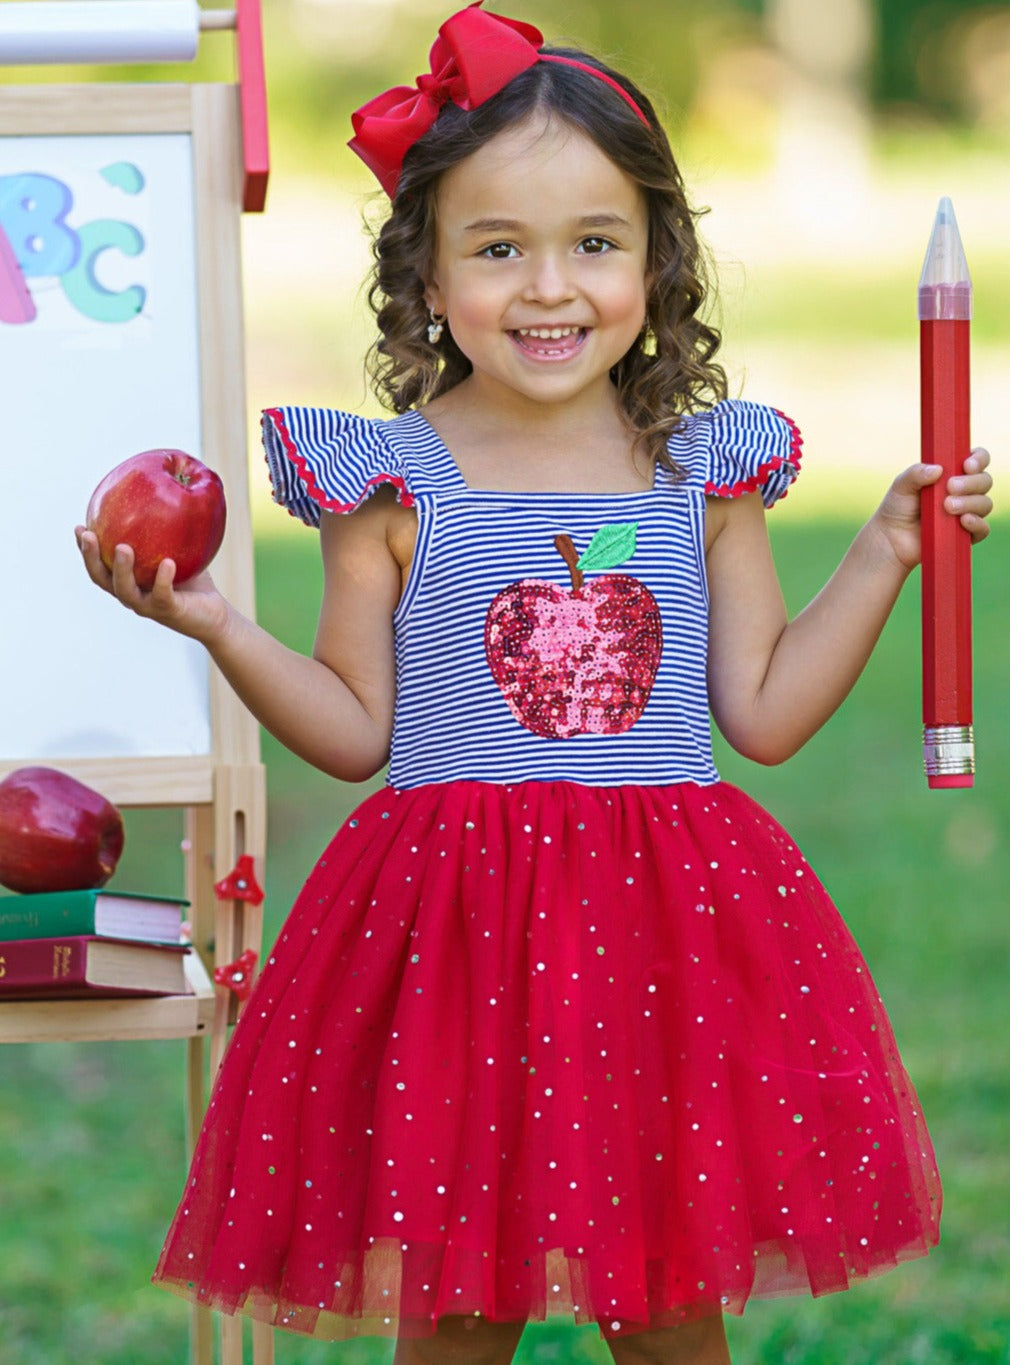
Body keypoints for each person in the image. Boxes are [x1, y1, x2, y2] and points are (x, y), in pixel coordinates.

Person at [77, 5, 993, 1363]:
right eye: (498, 247)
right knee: (457, 1305)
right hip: (455, 936)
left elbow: (765, 713)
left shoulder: (704, 472)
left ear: (658, 262)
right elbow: (355, 730)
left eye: (595, 244)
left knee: (669, 1306)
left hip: (662, 932)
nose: (549, 287)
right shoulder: (387, 480)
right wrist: (216, 624)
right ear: (426, 273)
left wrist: (885, 551)